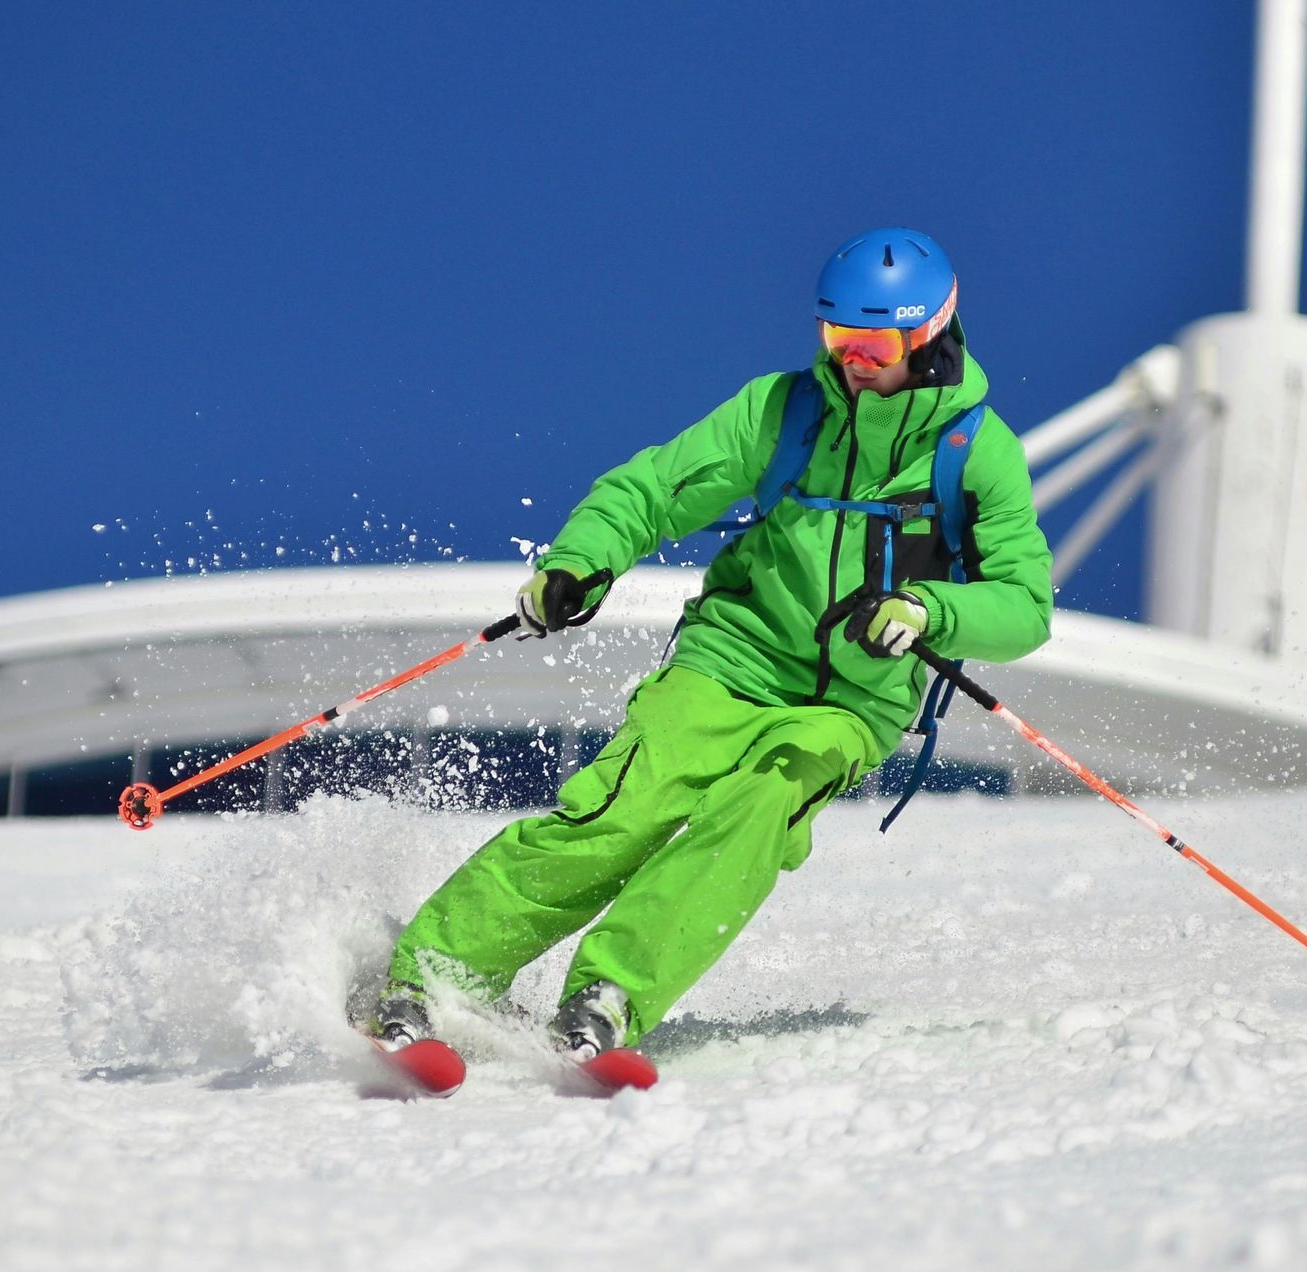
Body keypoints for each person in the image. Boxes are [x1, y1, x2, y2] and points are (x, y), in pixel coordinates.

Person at [369, 227, 1053, 1058]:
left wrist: (929, 610)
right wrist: (579, 564)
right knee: (625, 808)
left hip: (853, 702)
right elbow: (653, 489)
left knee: (761, 807)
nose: (851, 359)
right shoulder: (786, 411)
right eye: (836, 336)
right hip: (733, 658)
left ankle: (611, 992)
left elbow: (1025, 604)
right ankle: (433, 974)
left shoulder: (977, 453)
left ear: (929, 334)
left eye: (873, 342)